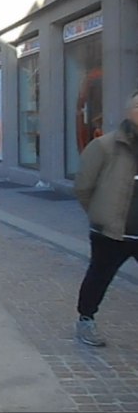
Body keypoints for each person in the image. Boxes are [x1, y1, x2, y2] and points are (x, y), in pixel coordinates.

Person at [73, 89, 138, 347]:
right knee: (99, 276)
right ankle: (85, 320)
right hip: (111, 232)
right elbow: (83, 188)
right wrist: (101, 214)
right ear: (130, 113)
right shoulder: (104, 146)